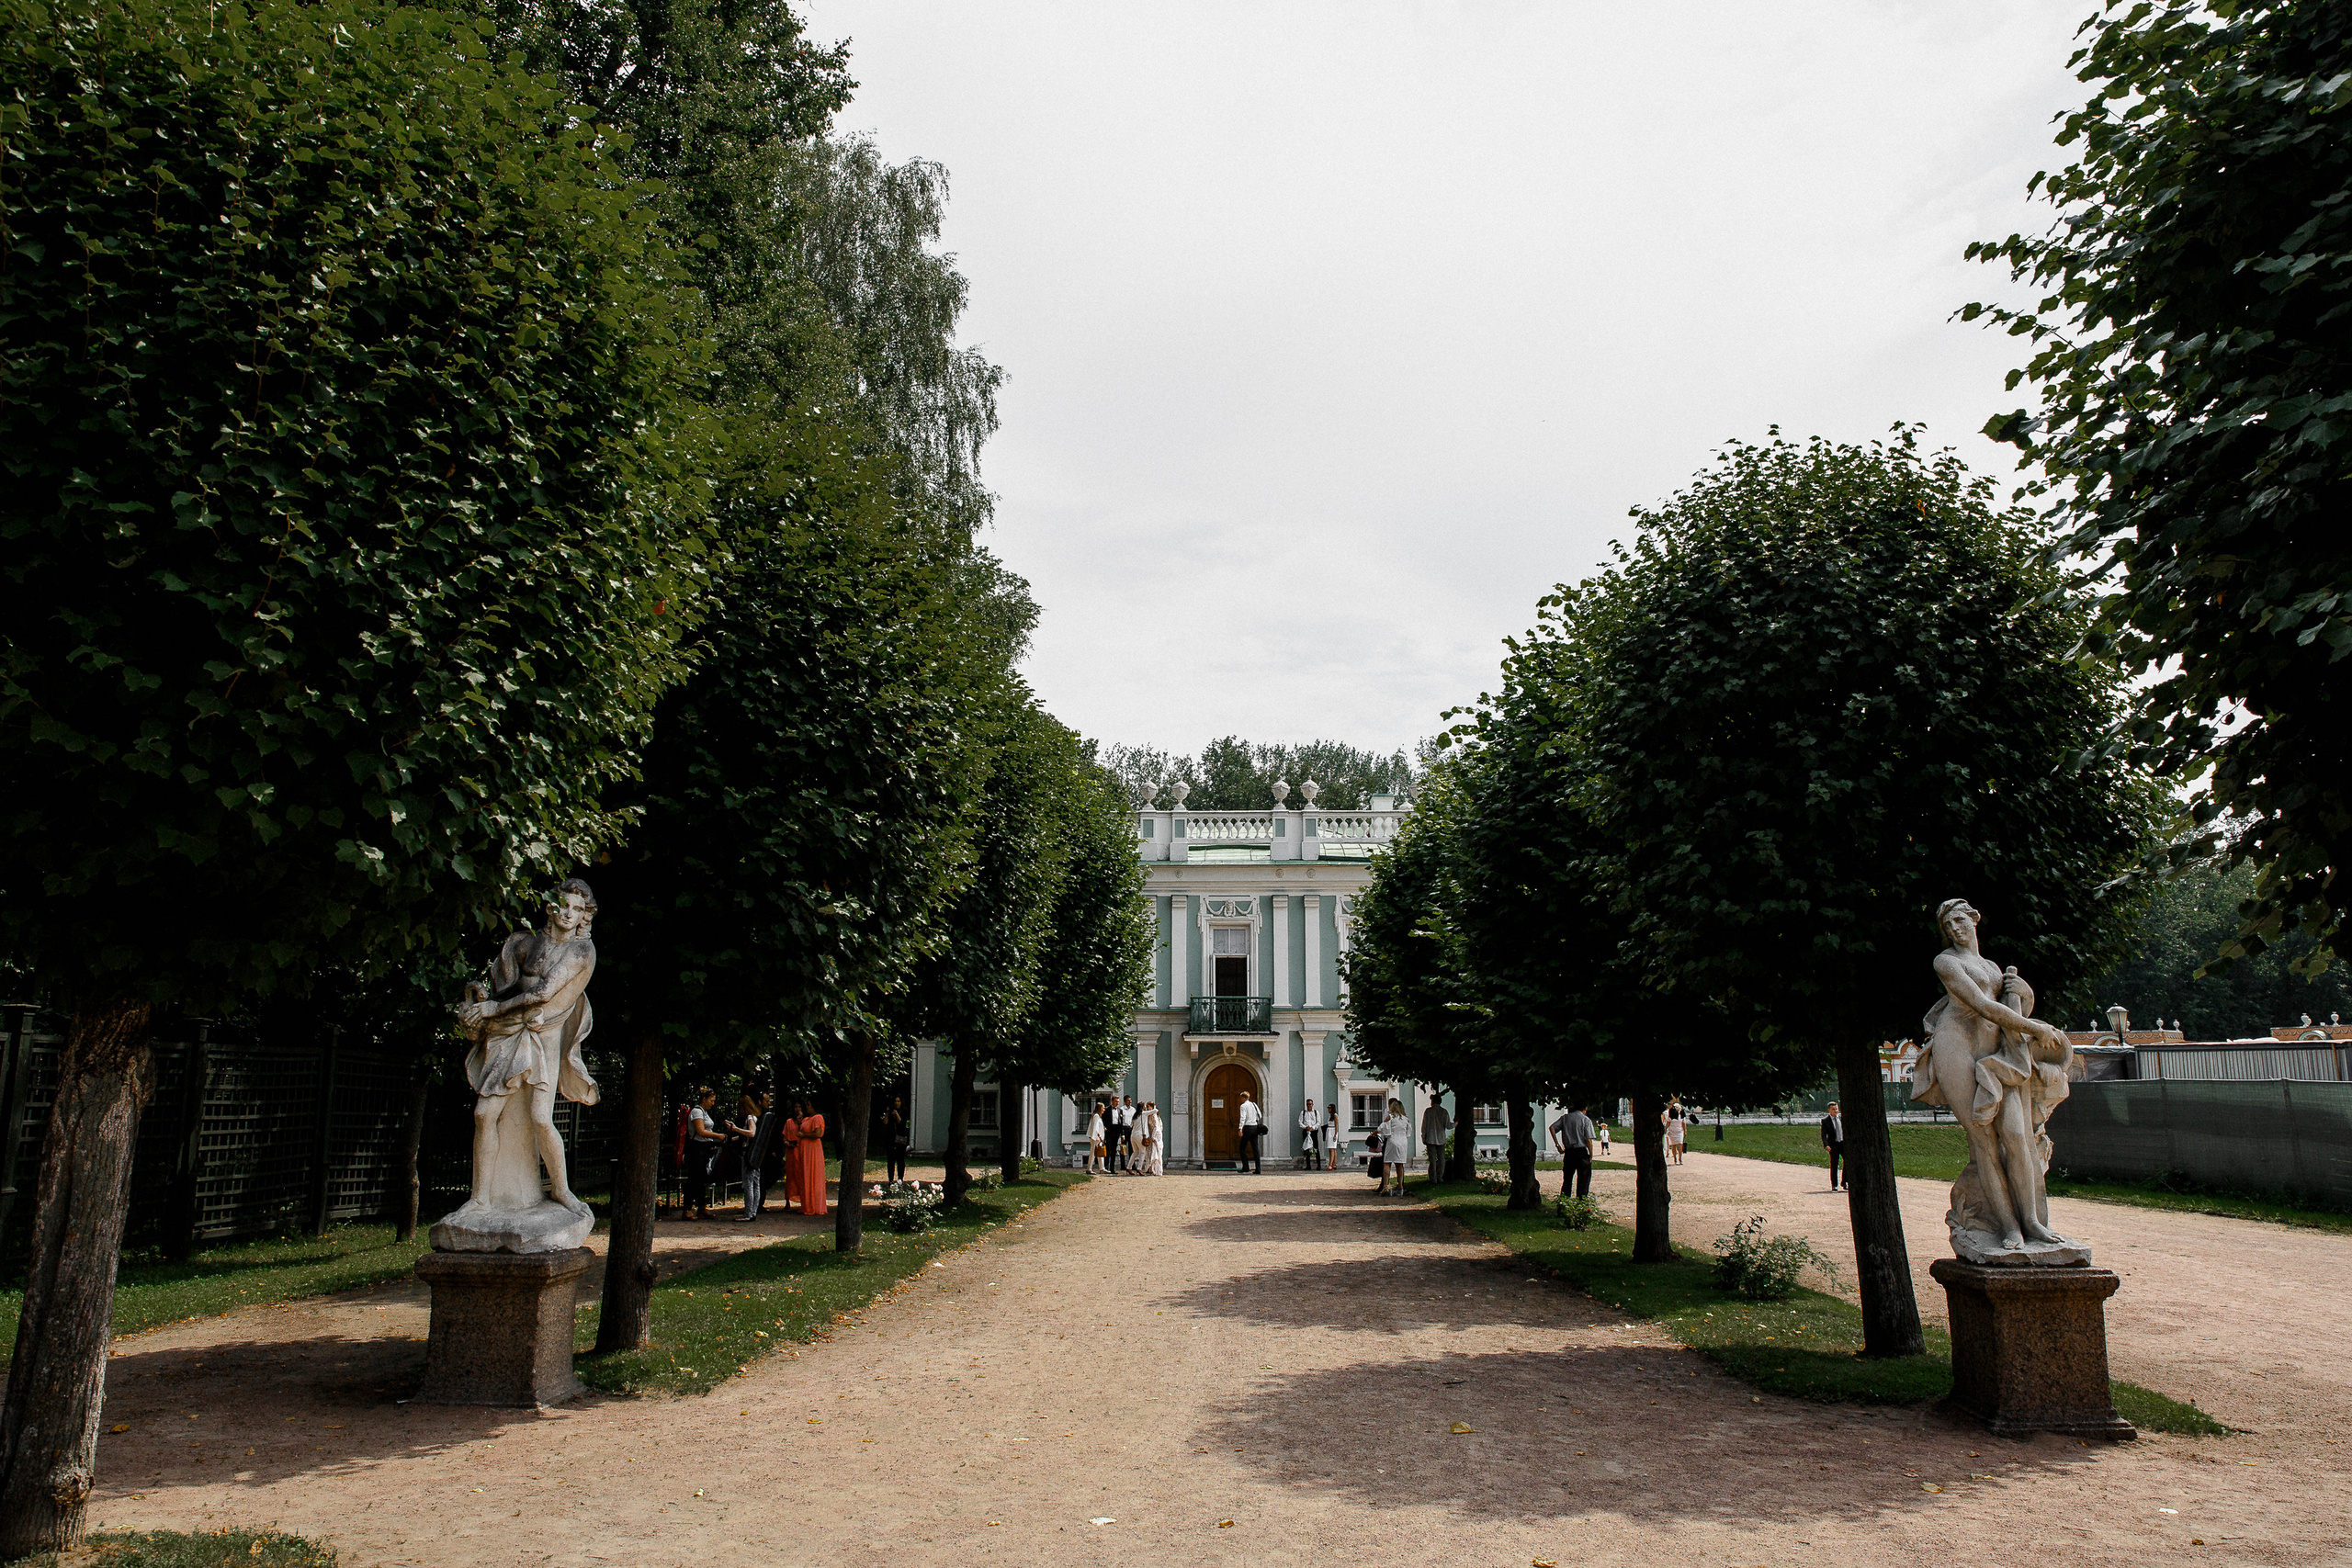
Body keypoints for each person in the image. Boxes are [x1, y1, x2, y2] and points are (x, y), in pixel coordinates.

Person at [731, 1089, 775, 1221]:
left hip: (748, 1154)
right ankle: (753, 1211)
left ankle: (748, 1213)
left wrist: (735, 1129)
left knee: (748, 1183)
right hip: (755, 1154)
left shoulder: (750, 1117)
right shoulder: (755, 1117)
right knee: (755, 1183)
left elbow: (751, 1133)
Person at [683, 1087, 724, 1220]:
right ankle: (687, 1209)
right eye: (711, 1100)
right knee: (693, 1178)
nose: (713, 1103)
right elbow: (700, 1131)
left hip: (704, 1149)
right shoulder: (697, 1112)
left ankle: (701, 1207)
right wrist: (717, 1136)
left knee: (701, 1178)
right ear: (704, 1099)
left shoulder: (704, 1112)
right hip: (696, 1149)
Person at [1550, 1105, 1595, 1198]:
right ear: (1584, 1108)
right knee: (1583, 1180)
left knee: (1567, 1180)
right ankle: (1581, 1202)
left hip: (1569, 1152)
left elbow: (1552, 1128)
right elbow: (1588, 1140)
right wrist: (1590, 1155)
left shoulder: (1565, 1118)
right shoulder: (1586, 1120)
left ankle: (1565, 1202)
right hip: (1581, 1151)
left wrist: (1557, 1145)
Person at [791, 1100, 827, 1216]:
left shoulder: (817, 1118)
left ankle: (814, 1205)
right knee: (805, 1175)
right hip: (805, 1150)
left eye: (809, 1105)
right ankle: (806, 1204)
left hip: (813, 1149)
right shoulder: (807, 1119)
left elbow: (818, 1134)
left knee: (813, 1175)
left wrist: (804, 1135)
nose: (807, 1107)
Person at [1377, 1098, 1412, 1196]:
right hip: (1403, 1142)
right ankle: (1400, 1186)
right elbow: (1409, 1132)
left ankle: (1385, 1186)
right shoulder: (1406, 1119)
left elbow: (1381, 1128)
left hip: (1392, 1141)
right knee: (1399, 1165)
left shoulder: (1390, 1117)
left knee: (1387, 1163)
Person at [1420, 1097, 1453, 1183]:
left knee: (1432, 1160)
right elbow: (1448, 1125)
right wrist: (1456, 1122)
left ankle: (1433, 1178)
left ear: (1432, 1101)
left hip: (1430, 1138)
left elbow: (1425, 1125)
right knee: (1442, 1159)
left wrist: (1423, 1136)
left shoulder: (1428, 1111)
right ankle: (1440, 1176)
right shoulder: (1444, 1111)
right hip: (1441, 1139)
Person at [882, 1096, 910, 1184]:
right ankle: (890, 1179)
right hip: (891, 1138)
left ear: (901, 1102)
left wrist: (897, 1114)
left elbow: (902, 1123)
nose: (897, 1103)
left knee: (900, 1159)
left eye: (898, 1101)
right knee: (890, 1160)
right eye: (895, 1101)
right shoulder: (890, 1112)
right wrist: (887, 1112)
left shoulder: (904, 1112)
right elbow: (885, 1122)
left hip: (901, 1139)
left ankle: (900, 1178)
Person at [1236, 1090, 1264, 1174]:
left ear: (1243, 1098)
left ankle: (1246, 1167)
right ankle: (1258, 1169)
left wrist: (1240, 1129)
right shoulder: (1254, 1104)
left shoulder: (1243, 1106)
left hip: (1248, 1127)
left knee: (1242, 1148)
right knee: (1255, 1149)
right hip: (1255, 1127)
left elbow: (1243, 1118)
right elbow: (1260, 1115)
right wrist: (1254, 1120)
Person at [1820, 1100, 1846, 1191]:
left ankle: (1845, 1181)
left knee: (1848, 1162)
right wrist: (1826, 1145)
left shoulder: (1842, 1118)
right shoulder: (1826, 1121)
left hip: (1842, 1143)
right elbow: (1823, 1135)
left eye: (1836, 1109)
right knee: (1834, 1165)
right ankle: (1834, 1184)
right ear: (1829, 1110)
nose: (1835, 1111)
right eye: (1833, 1109)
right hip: (1833, 1145)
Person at [1141, 1100, 1165, 1176]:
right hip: (1151, 1134)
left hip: (1155, 1135)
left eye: (1148, 1107)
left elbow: (1156, 1127)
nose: (1147, 1108)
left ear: (1152, 1107)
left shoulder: (1154, 1115)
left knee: (1155, 1151)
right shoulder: (1150, 1115)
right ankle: (1150, 1168)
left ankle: (1156, 1169)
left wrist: (1153, 1136)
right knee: (1150, 1151)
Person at [1298, 1100, 1321, 1168]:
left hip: (1313, 1131)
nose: (1309, 1105)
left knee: (1316, 1148)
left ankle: (1319, 1165)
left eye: (1310, 1104)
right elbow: (1300, 1122)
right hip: (1306, 1131)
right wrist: (1305, 1127)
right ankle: (1308, 1165)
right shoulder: (1303, 1113)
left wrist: (1313, 1128)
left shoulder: (1316, 1112)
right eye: (1308, 1104)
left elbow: (1318, 1122)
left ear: (1312, 1104)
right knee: (1306, 1148)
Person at [1665, 1103, 1688, 1167]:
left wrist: (1685, 1131)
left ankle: (1680, 1159)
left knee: (1680, 1144)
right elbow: (1668, 1123)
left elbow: (1684, 1123)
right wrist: (1665, 1129)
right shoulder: (1671, 1115)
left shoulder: (1682, 1115)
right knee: (1673, 1145)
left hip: (1679, 1131)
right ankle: (1675, 1159)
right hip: (1672, 1131)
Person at [1088, 1101, 1108, 1174]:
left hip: (1098, 1138)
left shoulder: (1098, 1116)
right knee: (1093, 1153)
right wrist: (1099, 1136)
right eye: (1103, 1108)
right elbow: (1095, 1127)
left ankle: (1102, 1168)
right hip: (1096, 1138)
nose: (1104, 1110)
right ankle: (1089, 1168)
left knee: (1100, 1153)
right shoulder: (1096, 1116)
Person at [1326, 1101, 1342, 1171]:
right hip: (1329, 1130)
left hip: (1332, 1131)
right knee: (1332, 1149)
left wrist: (1335, 1134)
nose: (1328, 1109)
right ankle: (1334, 1163)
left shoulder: (1335, 1115)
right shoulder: (1330, 1116)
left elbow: (1336, 1125)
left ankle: (1330, 1164)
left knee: (1332, 1149)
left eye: (1329, 1108)